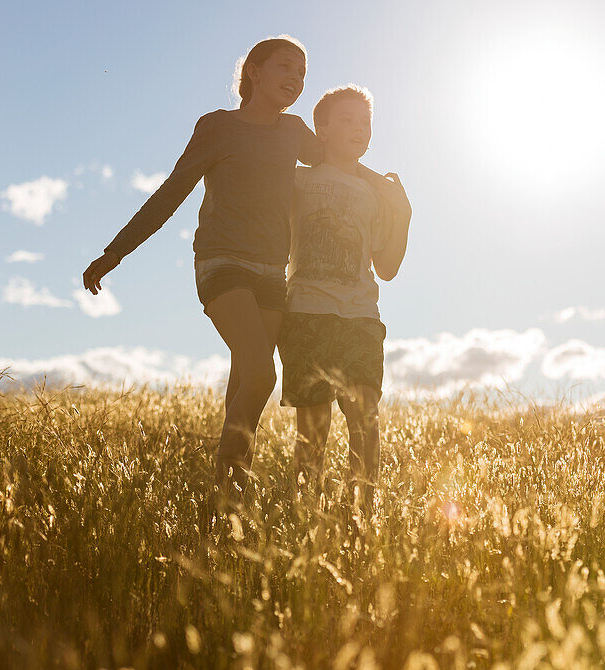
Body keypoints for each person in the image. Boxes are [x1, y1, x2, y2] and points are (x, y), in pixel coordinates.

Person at [80, 37, 390, 501]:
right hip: (222, 264)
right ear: (254, 72)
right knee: (261, 375)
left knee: (244, 380)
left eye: (302, 73)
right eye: (285, 67)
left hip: (270, 275)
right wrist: (115, 251)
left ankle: (224, 515)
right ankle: (226, 491)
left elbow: (336, 160)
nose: (296, 79)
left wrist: (386, 186)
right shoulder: (217, 126)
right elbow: (172, 191)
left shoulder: (293, 132)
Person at [278, 84, 411, 519]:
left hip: (359, 317)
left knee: (365, 421)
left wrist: (404, 215)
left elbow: (387, 267)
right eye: (348, 120)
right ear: (322, 129)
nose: (359, 129)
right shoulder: (297, 180)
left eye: (365, 122)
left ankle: (360, 518)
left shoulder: (375, 193)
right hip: (307, 313)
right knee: (312, 434)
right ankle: (305, 522)